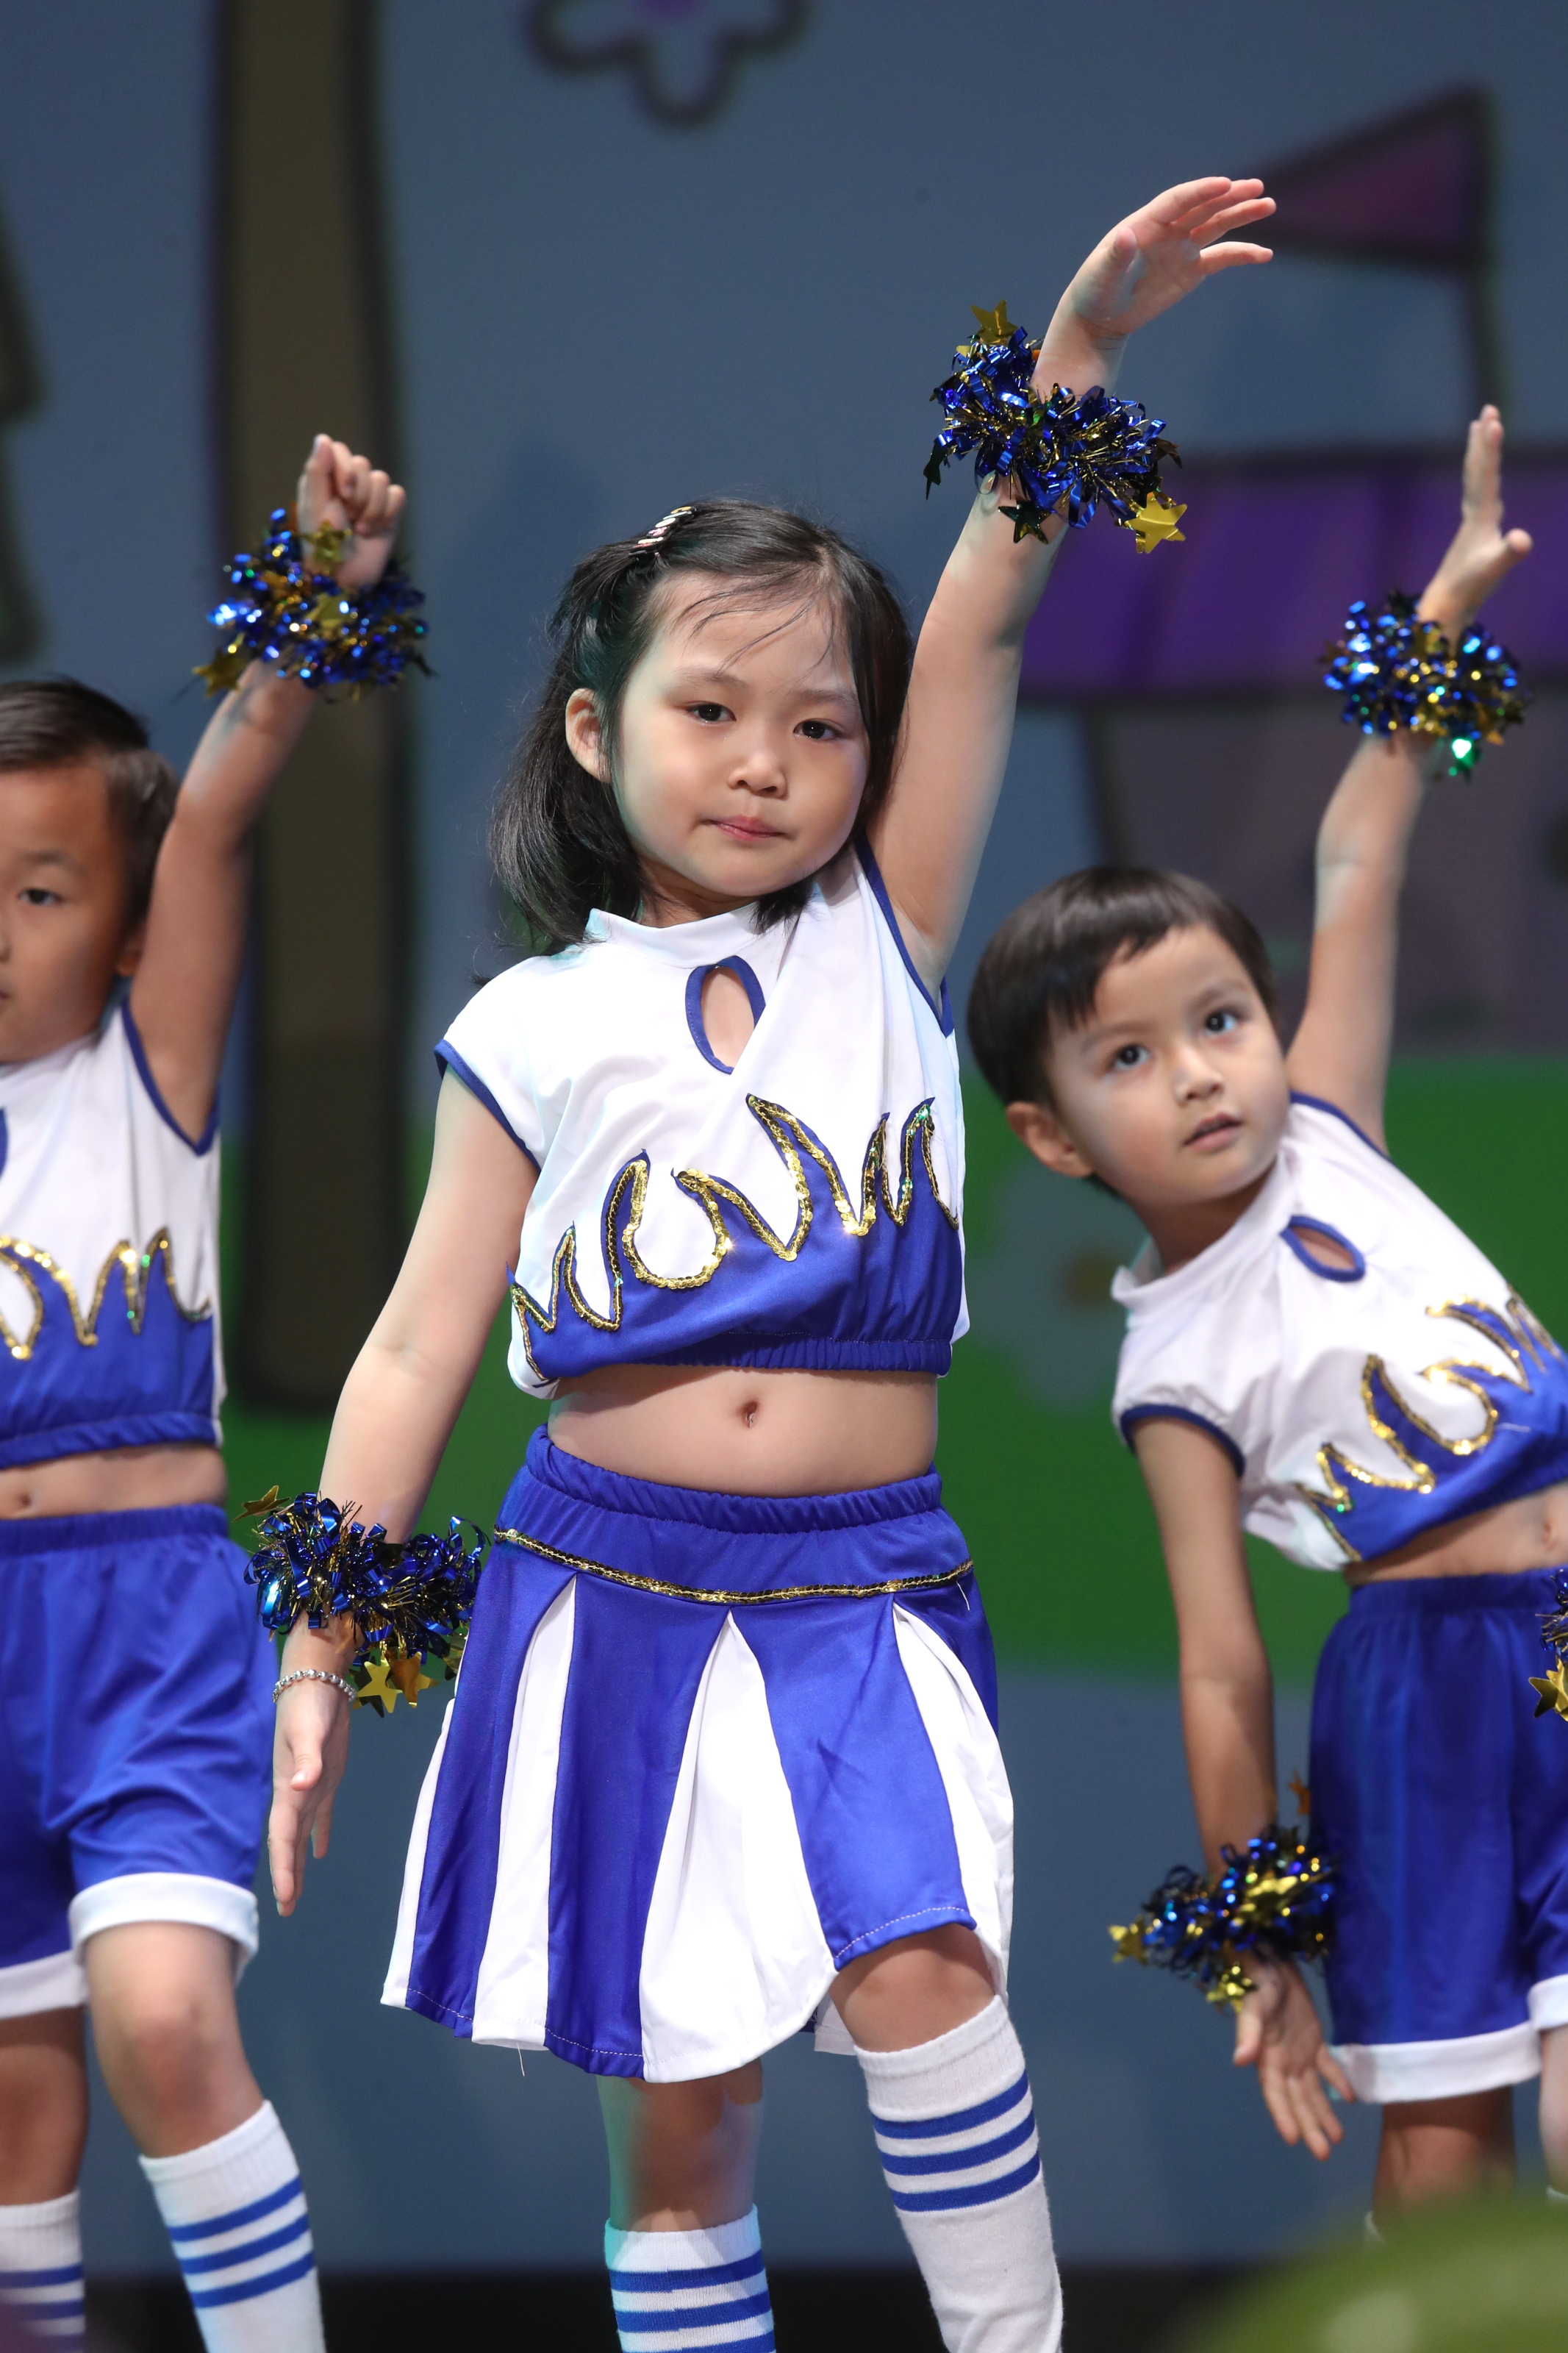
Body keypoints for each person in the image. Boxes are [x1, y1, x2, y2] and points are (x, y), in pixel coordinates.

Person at [262, 180, 1273, 2353]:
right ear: (590, 731)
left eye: (819, 725)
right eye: (711, 710)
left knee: (927, 1981)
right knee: (683, 2105)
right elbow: (419, 1342)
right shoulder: (532, 1025)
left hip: (858, 1582)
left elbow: (982, 618)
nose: (766, 763)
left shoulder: (881, 939)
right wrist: (322, 1644)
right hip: (601, 1583)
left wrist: (1082, 344)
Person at [967, 410, 1561, 2224]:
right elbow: (1221, 1665)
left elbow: (1355, 856)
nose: (1201, 1074)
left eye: (1220, 1019)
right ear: (1052, 1136)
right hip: (1425, 1703)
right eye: (1129, 1057)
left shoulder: (1330, 1131)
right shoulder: (1171, 1368)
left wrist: (1447, 603)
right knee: (1443, 2132)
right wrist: (1252, 1942)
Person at [0, 435, 409, 2352]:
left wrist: (309, 595)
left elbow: (226, 805)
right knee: (18, 2108)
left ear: (126, 922)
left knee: (164, 2023)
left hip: (144, 1628)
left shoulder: (141, 1077)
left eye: (39, 889)